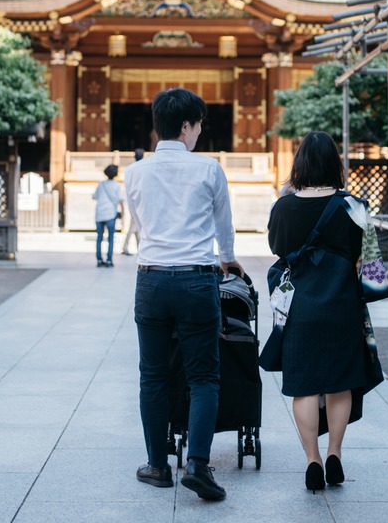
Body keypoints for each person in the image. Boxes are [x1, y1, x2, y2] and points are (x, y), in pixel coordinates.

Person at [125, 87, 243, 501]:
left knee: (153, 375)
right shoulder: (209, 168)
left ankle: (157, 466)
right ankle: (197, 465)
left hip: (152, 279)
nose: (199, 132)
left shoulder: (134, 172)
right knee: (204, 376)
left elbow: (140, 223)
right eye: (199, 125)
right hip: (197, 279)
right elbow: (223, 224)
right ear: (187, 126)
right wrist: (227, 259)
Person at [263, 130, 384, 491]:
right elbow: (372, 264)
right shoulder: (355, 206)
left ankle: (312, 460)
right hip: (342, 306)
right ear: (335, 164)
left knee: (304, 387)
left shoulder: (283, 206)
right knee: (339, 384)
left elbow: (276, 247)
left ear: (299, 164)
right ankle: (334, 453)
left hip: (299, 309)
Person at [92, 164, 124, 267]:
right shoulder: (117, 185)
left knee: (99, 238)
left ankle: (99, 260)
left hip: (99, 214)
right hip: (110, 214)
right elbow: (121, 200)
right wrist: (123, 213)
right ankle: (109, 260)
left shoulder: (101, 184)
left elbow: (95, 196)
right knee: (110, 238)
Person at [119, 148, 145, 255]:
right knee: (135, 224)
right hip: (141, 198)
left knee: (136, 223)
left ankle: (138, 247)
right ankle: (126, 246)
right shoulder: (144, 168)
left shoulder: (131, 169)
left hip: (131, 197)